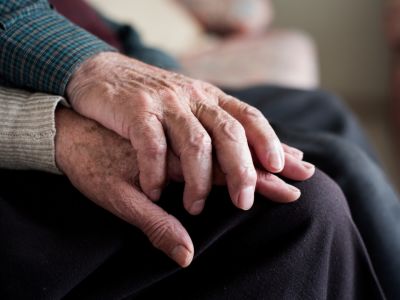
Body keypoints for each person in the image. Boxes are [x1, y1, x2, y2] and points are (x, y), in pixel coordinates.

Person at [0, 0, 397, 299]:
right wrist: (51, 126)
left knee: (324, 114)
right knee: (299, 202)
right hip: (29, 134)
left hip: (85, 82)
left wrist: (160, 77)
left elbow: (117, 32)